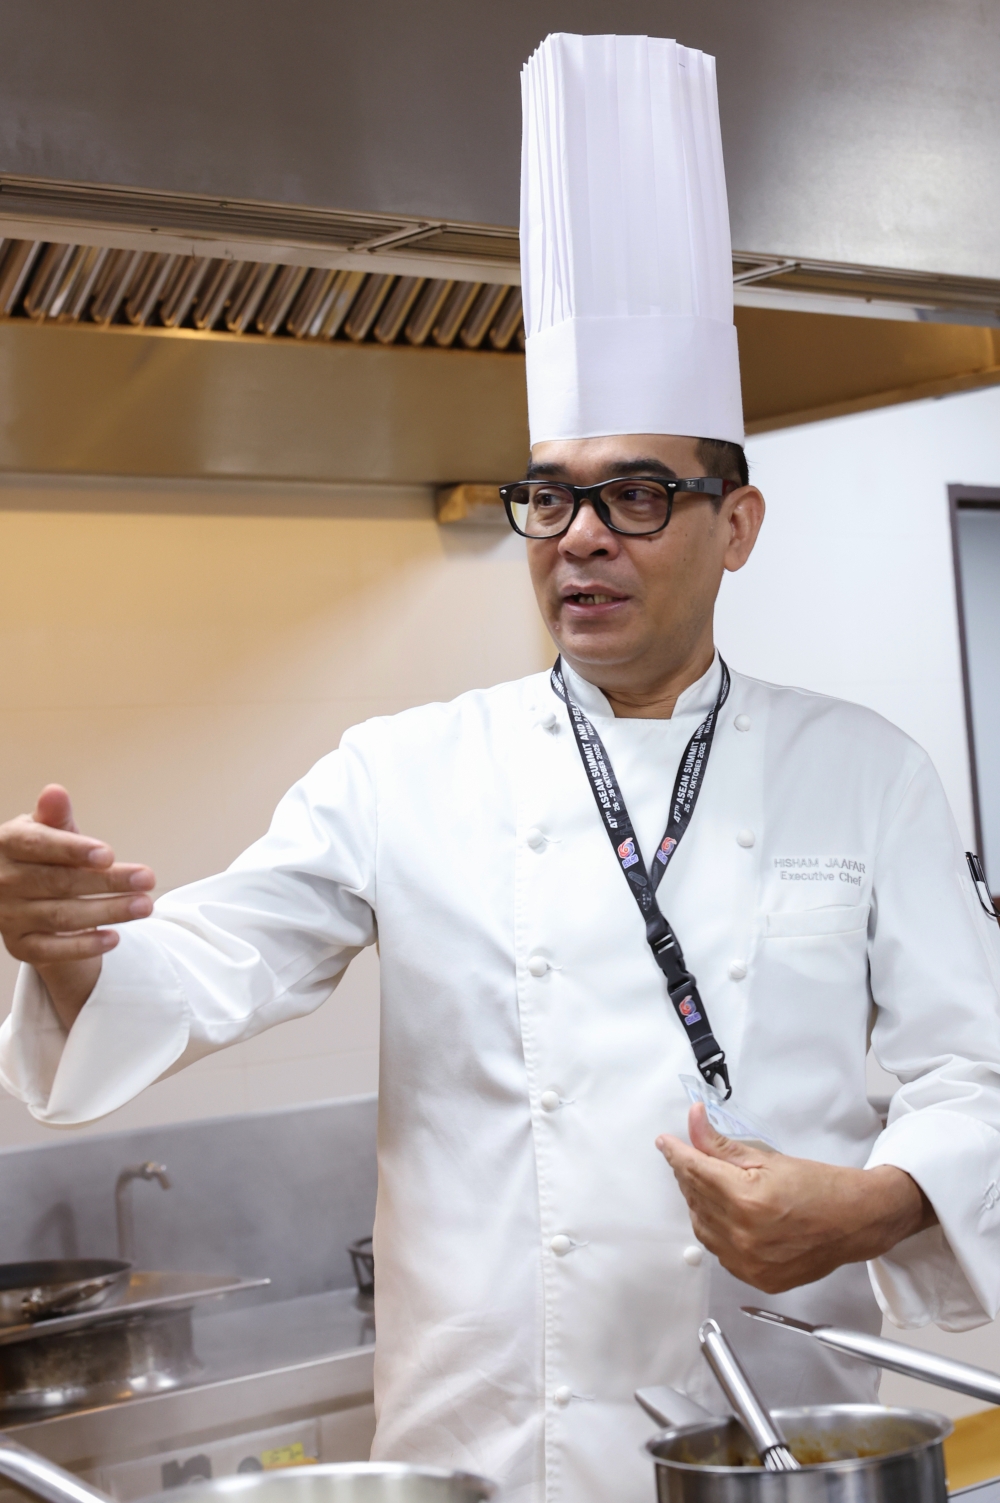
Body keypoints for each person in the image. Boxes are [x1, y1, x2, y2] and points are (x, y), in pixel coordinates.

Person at [2, 31, 1000, 1503]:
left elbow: (977, 1071)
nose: (580, 536)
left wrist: (878, 1203)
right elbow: (209, 963)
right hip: (481, 1459)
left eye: (637, 495)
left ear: (737, 527)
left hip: (777, 1449)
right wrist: (69, 949)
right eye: (550, 496)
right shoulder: (404, 770)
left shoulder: (865, 773)